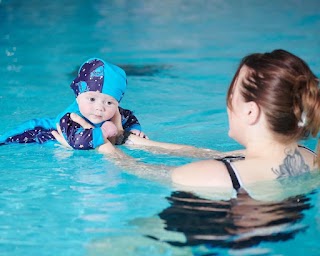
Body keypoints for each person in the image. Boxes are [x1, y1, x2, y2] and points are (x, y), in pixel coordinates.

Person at [53, 49, 320, 194]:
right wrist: (135, 141)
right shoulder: (310, 157)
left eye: (231, 93)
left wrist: (103, 146)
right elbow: (216, 155)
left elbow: (140, 172)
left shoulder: (209, 175)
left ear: (250, 112)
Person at [0, 58, 148, 149]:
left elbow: (129, 117)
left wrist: (135, 129)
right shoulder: (70, 118)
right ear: (77, 97)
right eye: (91, 99)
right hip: (38, 132)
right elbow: (77, 142)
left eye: (109, 102)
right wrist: (102, 133)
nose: (99, 107)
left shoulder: (117, 112)